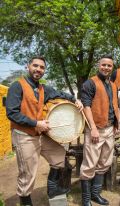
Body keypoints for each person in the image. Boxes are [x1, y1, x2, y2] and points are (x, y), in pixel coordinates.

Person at [6, 56, 83, 206]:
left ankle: (52, 189)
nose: (38, 69)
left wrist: (75, 100)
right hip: (24, 135)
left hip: (40, 134)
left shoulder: (43, 88)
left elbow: (60, 93)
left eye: (42, 67)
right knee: (28, 172)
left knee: (59, 155)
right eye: (35, 66)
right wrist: (35, 123)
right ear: (28, 66)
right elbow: (12, 113)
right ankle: (26, 202)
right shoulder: (17, 86)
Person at [80, 55, 120, 206]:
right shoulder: (90, 83)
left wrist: (118, 123)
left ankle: (95, 194)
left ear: (112, 67)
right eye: (103, 65)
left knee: (105, 162)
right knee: (89, 164)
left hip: (110, 129)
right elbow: (86, 106)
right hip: (95, 129)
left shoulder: (113, 85)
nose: (106, 68)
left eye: (109, 66)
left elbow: (115, 105)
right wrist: (92, 129)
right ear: (99, 65)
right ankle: (85, 200)